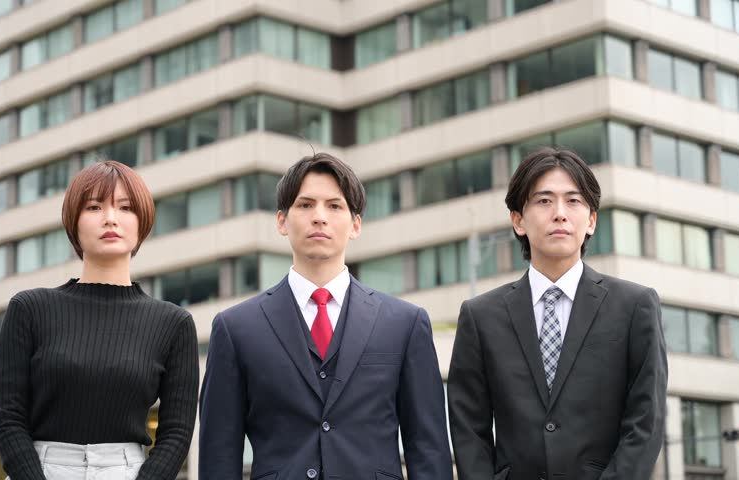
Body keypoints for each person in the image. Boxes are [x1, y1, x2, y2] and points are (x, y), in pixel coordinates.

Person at [199, 153, 452, 480]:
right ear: (281, 221)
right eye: (305, 205)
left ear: (355, 225)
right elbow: (219, 454)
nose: (319, 217)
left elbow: (428, 447)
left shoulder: (404, 323)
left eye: (334, 206)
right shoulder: (236, 329)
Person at [448, 147, 667, 480]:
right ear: (518, 220)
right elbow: (468, 428)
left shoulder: (635, 306)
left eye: (574, 201)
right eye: (544, 201)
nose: (560, 213)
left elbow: (646, 421)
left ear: (591, 220)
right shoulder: (481, 316)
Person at [0, 160, 198, 480]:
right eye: (94, 207)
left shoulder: (173, 323)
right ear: (73, 222)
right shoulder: (30, 309)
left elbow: (177, 432)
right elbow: (7, 418)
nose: (110, 218)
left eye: (125, 207)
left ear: (143, 222)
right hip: (41, 470)